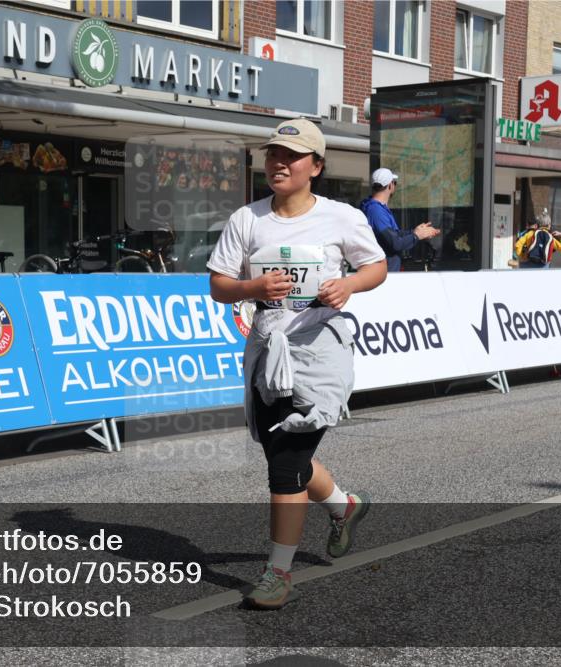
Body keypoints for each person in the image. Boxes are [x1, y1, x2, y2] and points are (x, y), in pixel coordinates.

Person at [206, 118, 388, 610]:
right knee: (284, 455)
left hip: (320, 353)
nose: (278, 163)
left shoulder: (342, 217)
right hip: (269, 352)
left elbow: (377, 266)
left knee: (285, 464)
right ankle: (344, 506)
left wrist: (348, 285)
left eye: (291, 155)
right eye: (272, 154)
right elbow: (219, 285)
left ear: (316, 166)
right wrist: (251, 289)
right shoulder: (248, 219)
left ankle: (277, 573)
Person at [359, 168, 440, 272]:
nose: (395, 186)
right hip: (384, 275)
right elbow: (395, 243)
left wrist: (414, 232)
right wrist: (416, 236)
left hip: (385, 273)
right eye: (395, 183)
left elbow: (394, 234)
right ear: (390, 186)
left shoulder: (377, 208)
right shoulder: (375, 211)